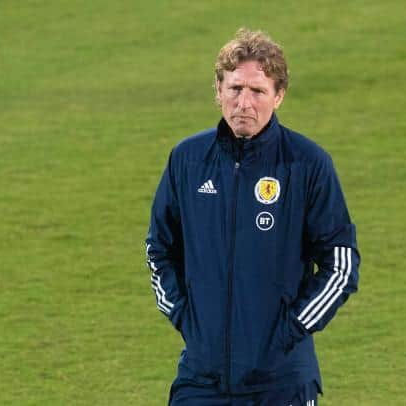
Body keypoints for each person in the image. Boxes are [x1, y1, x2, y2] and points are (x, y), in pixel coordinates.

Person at [145, 28, 360, 405]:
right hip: (201, 379)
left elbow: (340, 263)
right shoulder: (188, 160)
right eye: (235, 88)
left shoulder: (307, 164)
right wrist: (183, 315)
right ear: (218, 91)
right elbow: (159, 248)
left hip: (280, 382)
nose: (244, 102)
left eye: (257, 91)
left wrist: (291, 329)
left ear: (278, 96)